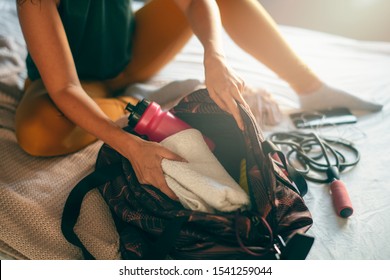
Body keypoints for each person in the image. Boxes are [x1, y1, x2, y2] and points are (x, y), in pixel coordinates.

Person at [15, 0, 382, 198]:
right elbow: (65, 88)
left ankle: (310, 86)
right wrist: (129, 146)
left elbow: (195, 4)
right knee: (37, 133)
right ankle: (154, 100)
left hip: (130, 52)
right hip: (73, 82)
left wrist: (214, 56)